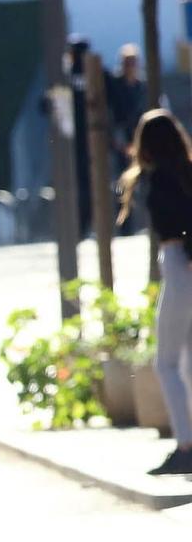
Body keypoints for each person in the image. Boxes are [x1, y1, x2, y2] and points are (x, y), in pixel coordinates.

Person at [121, 110, 192, 475]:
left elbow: (181, 224)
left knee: (166, 361)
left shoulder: (161, 179)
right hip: (182, 263)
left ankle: (186, 444)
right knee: (187, 358)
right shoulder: (183, 172)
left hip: (180, 264)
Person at [106, 45, 147, 163]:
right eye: (127, 63)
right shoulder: (114, 86)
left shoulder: (142, 86)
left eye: (133, 62)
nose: (130, 66)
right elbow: (111, 113)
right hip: (121, 135)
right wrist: (119, 142)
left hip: (140, 134)